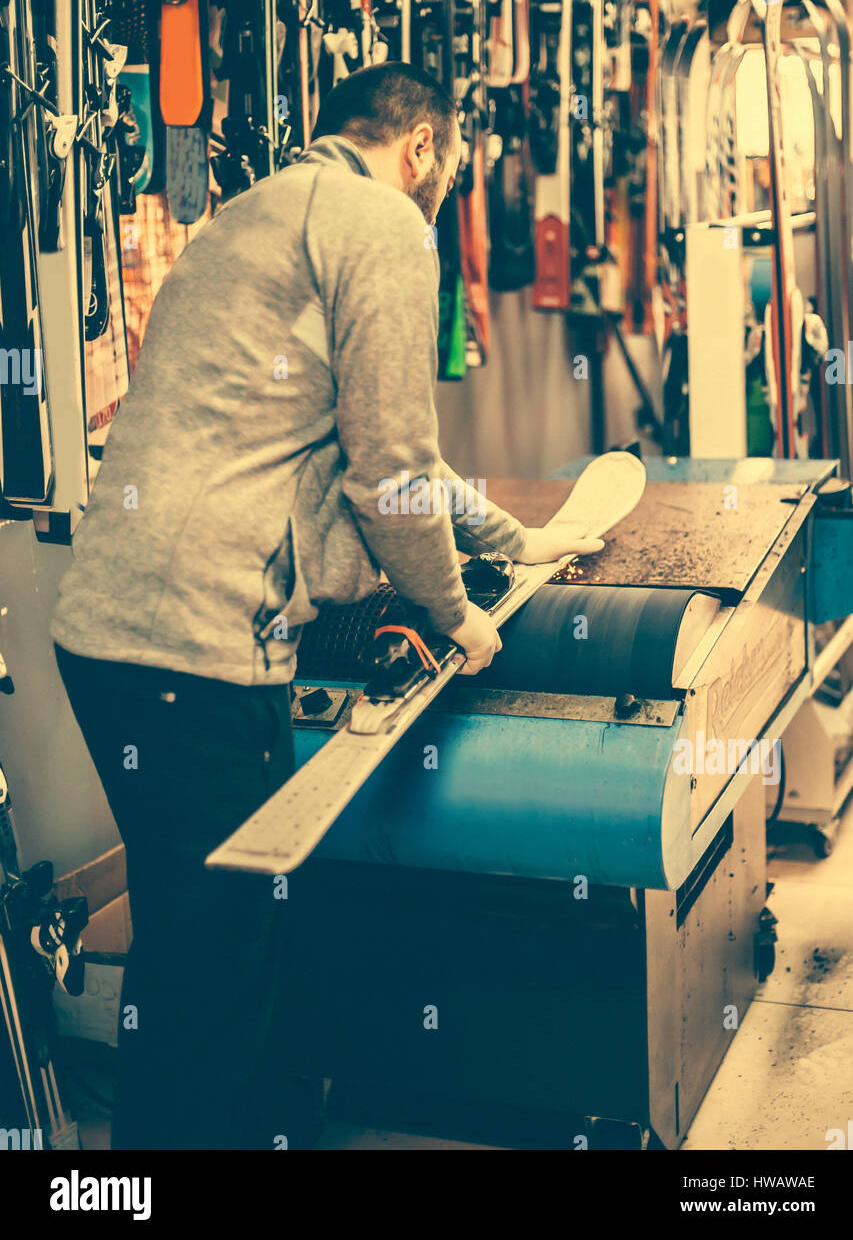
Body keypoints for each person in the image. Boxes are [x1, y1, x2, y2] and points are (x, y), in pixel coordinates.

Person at [51, 62, 602, 1149]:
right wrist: (455, 610)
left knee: (188, 944)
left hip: (103, 638)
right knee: (218, 978)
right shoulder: (384, 222)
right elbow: (389, 466)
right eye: (443, 172)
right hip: (197, 645)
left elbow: (387, 452)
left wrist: (513, 539)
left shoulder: (242, 218)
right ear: (421, 150)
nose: (438, 195)